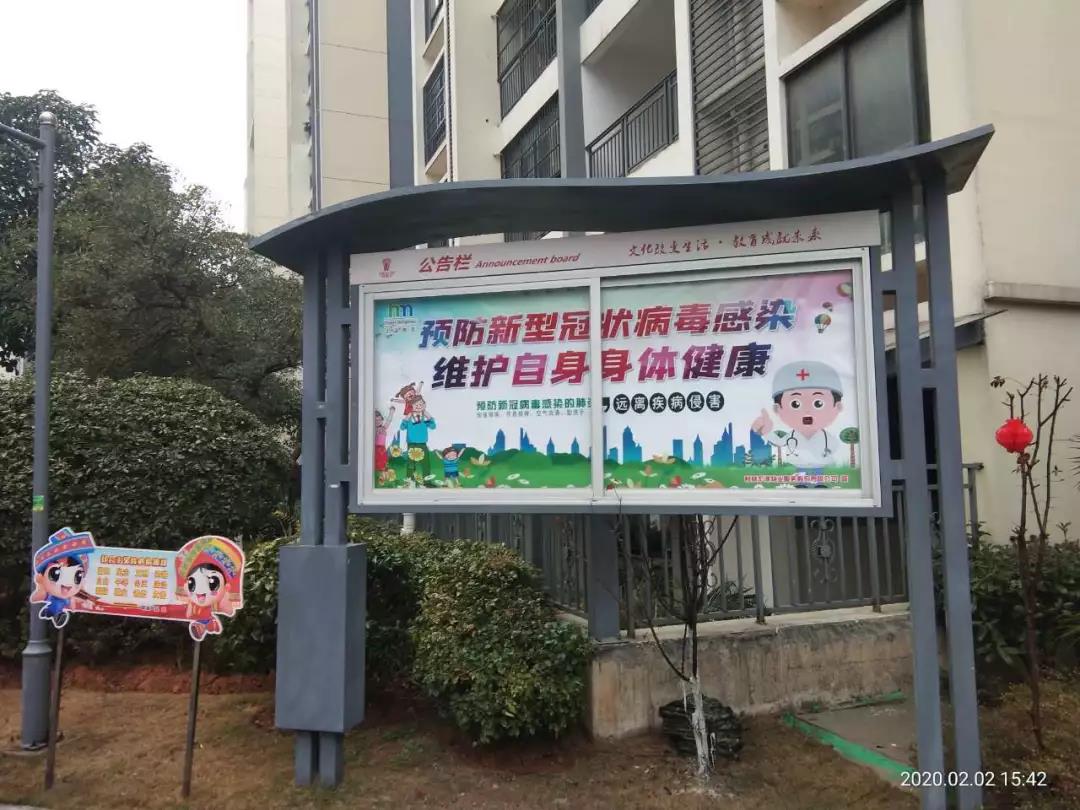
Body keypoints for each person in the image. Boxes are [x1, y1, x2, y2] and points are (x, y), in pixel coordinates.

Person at [751, 361, 845, 485]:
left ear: (837, 407)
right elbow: (779, 442)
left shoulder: (826, 437)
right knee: (801, 478)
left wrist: (827, 453)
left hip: (819, 463)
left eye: (818, 403)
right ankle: (802, 485)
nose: (807, 411)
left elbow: (834, 445)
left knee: (818, 478)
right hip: (800, 464)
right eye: (795, 404)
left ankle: (818, 485)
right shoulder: (792, 436)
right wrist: (766, 431)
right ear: (778, 409)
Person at [174, 536, 245, 641]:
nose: (200, 590)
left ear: (226, 587)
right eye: (191, 583)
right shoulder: (195, 606)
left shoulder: (216, 605)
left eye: (212, 582)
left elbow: (228, 611)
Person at [29, 527, 97, 629]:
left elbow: (79, 602)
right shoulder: (48, 594)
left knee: (57, 605)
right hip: (55, 601)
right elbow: (34, 598)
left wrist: (83, 601)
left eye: (77, 577)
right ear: (41, 577)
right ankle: (50, 612)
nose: (67, 583)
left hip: (63, 603)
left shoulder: (70, 597)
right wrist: (40, 587)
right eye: (55, 574)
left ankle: (53, 613)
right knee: (54, 606)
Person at [401, 395, 436, 483]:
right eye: (416, 405)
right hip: (411, 444)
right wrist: (407, 417)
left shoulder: (424, 418)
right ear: (411, 406)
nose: (418, 406)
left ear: (424, 405)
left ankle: (427, 482)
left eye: (421, 404)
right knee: (411, 464)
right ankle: (410, 481)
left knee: (425, 463)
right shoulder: (409, 418)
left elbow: (433, 426)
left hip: (422, 443)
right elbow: (402, 427)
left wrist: (429, 416)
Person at [374, 406, 396, 482]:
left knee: (383, 465)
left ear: (382, 420)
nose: (378, 421)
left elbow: (389, 420)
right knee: (375, 464)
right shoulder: (373, 429)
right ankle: (377, 479)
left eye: (379, 419)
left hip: (381, 449)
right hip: (374, 449)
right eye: (376, 420)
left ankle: (384, 478)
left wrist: (391, 412)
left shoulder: (383, 428)